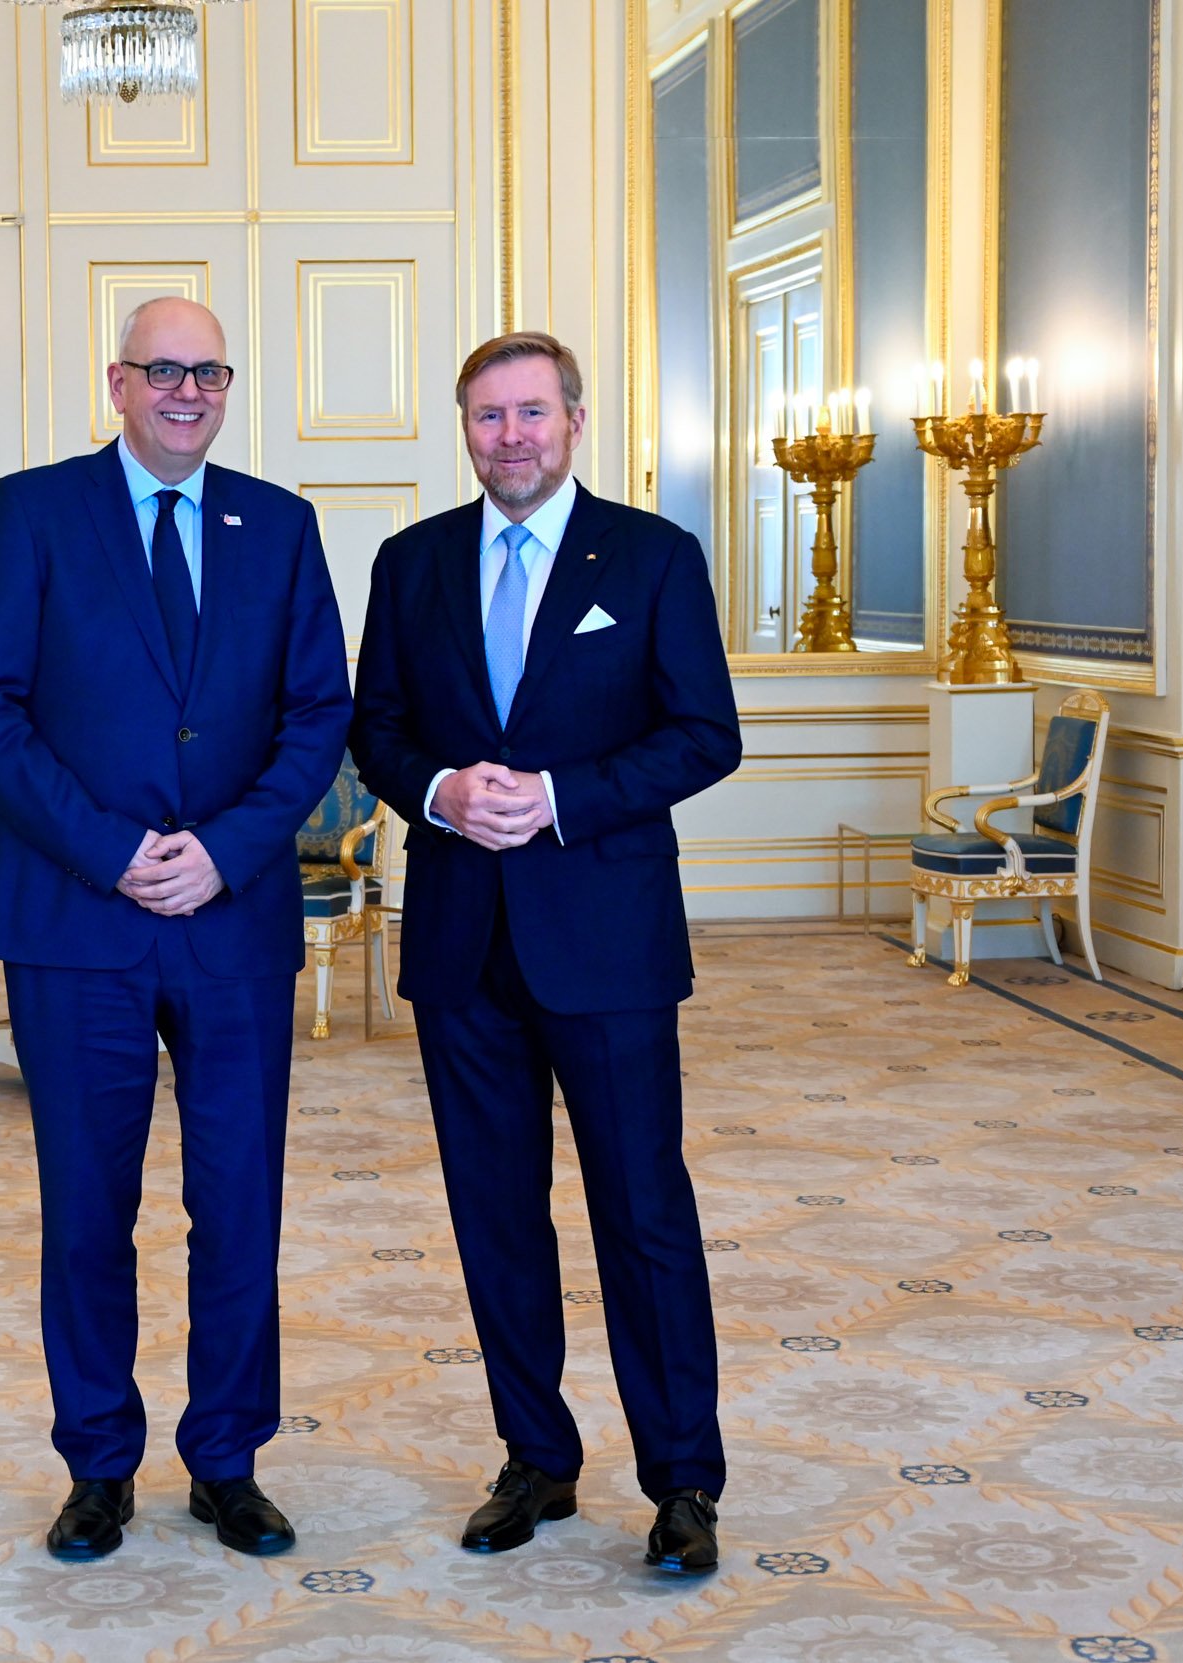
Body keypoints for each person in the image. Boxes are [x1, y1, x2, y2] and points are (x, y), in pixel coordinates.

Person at [0, 297, 351, 1563]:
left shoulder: (279, 525)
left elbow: (318, 714)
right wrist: (112, 849)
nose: (186, 391)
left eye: (207, 372)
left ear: (227, 387)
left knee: (238, 1205)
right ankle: (97, 1464)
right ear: (117, 382)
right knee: (86, 1207)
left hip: (231, 920)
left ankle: (226, 1458)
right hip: (77, 918)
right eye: (162, 370)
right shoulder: (34, 510)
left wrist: (224, 850)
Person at [348, 330, 742, 1572]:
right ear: (463, 429)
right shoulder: (410, 563)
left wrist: (561, 797)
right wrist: (440, 792)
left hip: (606, 940)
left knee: (642, 1210)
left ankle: (682, 1480)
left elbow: (705, 734)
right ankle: (535, 1457)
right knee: (494, 1215)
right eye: (486, 416)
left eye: (529, 412)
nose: (508, 436)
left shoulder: (653, 556)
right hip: (460, 941)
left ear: (574, 420)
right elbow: (375, 729)